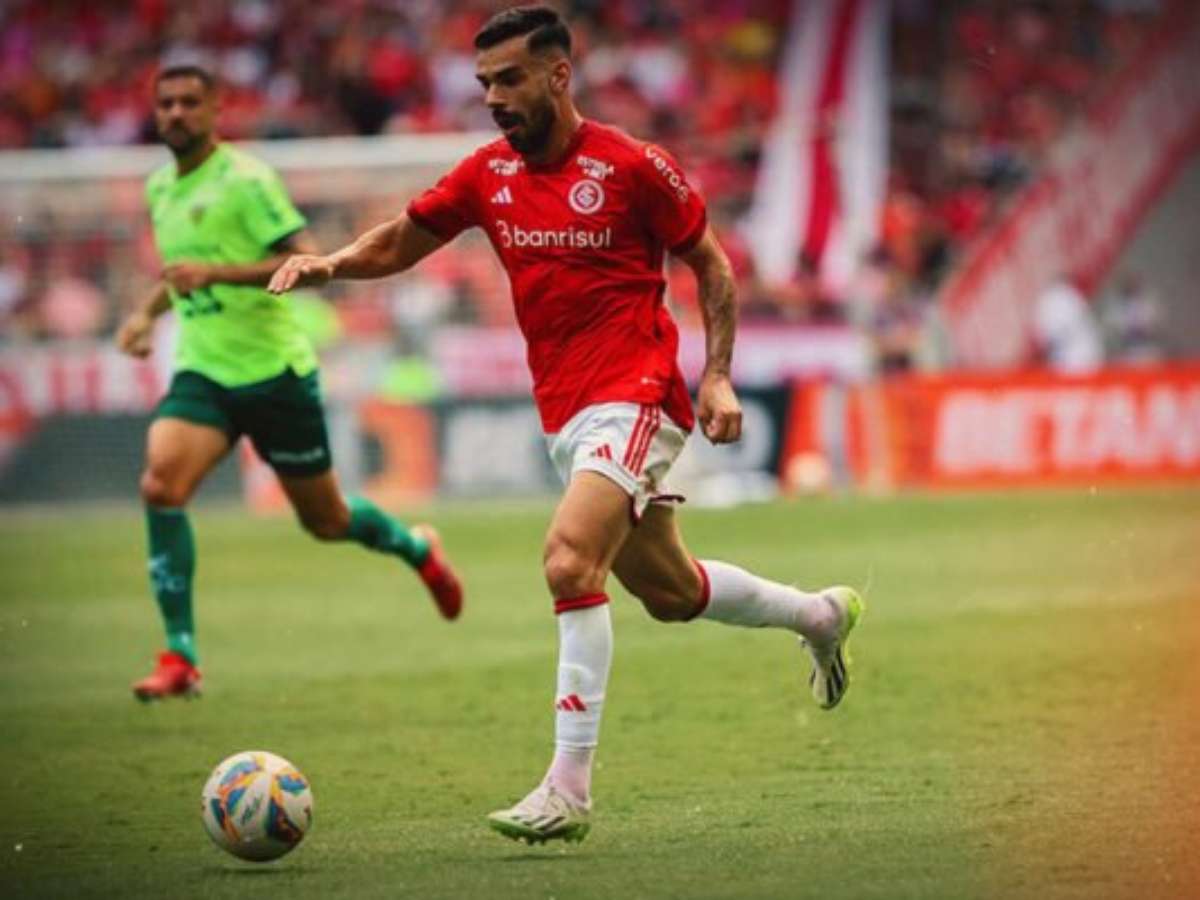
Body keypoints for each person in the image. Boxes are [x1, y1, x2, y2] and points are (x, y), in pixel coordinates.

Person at [269, 6, 863, 845]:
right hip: (567, 408)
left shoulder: (632, 165)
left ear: (558, 75)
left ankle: (567, 789)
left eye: (510, 79)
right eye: (485, 83)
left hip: (638, 391)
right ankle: (819, 616)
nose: (494, 98)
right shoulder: (487, 174)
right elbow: (405, 238)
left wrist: (717, 374)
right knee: (671, 592)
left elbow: (711, 263)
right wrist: (332, 264)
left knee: (568, 559)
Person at [116, 65, 463, 702]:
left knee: (326, 520)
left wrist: (216, 274)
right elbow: (182, 273)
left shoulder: (247, 181)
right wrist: (145, 314)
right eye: (166, 103)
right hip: (204, 370)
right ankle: (180, 656)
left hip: (274, 373)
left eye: (189, 102)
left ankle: (417, 548)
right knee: (160, 486)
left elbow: (302, 258)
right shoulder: (160, 187)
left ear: (216, 109)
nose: (176, 113)